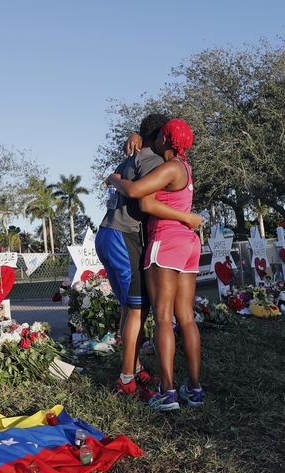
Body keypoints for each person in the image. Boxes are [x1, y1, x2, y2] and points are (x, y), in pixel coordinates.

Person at [95, 114, 201, 400]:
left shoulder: (143, 158)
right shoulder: (163, 163)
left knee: (139, 310)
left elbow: (140, 193)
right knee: (144, 310)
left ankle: (140, 374)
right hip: (128, 236)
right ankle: (132, 377)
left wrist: (114, 178)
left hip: (119, 235)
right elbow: (143, 197)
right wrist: (189, 217)